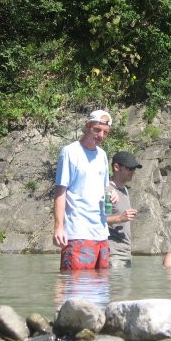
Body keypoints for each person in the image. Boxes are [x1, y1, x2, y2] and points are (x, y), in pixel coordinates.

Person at [53, 110, 113, 271]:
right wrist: (59, 226)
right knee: (75, 287)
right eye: (97, 130)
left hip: (101, 233)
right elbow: (60, 191)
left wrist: (111, 192)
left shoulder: (102, 155)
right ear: (87, 127)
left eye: (105, 132)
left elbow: (106, 185)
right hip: (77, 232)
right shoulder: (69, 152)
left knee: (101, 289)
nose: (101, 135)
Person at [107, 151, 142, 267]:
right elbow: (95, 220)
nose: (132, 172)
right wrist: (120, 218)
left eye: (134, 168)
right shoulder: (106, 190)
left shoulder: (125, 190)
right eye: (129, 168)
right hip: (113, 254)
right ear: (117, 167)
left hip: (126, 253)